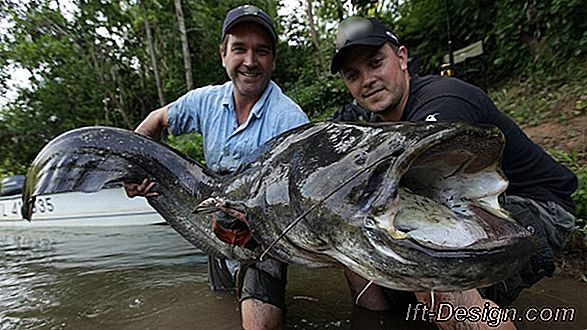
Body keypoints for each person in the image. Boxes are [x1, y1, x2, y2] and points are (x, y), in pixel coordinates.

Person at [330, 16, 577, 329]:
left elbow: (411, 194)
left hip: (535, 204)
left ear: (402, 58)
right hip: (462, 204)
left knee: (437, 278)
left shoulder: (444, 100)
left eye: (376, 63)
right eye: (353, 74)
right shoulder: (371, 120)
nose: (367, 80)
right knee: (348, 240)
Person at [125, 5, 309, 329]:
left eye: (261, 51)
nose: (250, 61)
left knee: (258, 326)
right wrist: (133, 168)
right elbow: (157, 119)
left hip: (263, 237)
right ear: (223, 54)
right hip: (213, 225)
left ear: (273, 61)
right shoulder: (205, 101)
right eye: (240, 49)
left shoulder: (291, 120)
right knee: (220, 307)